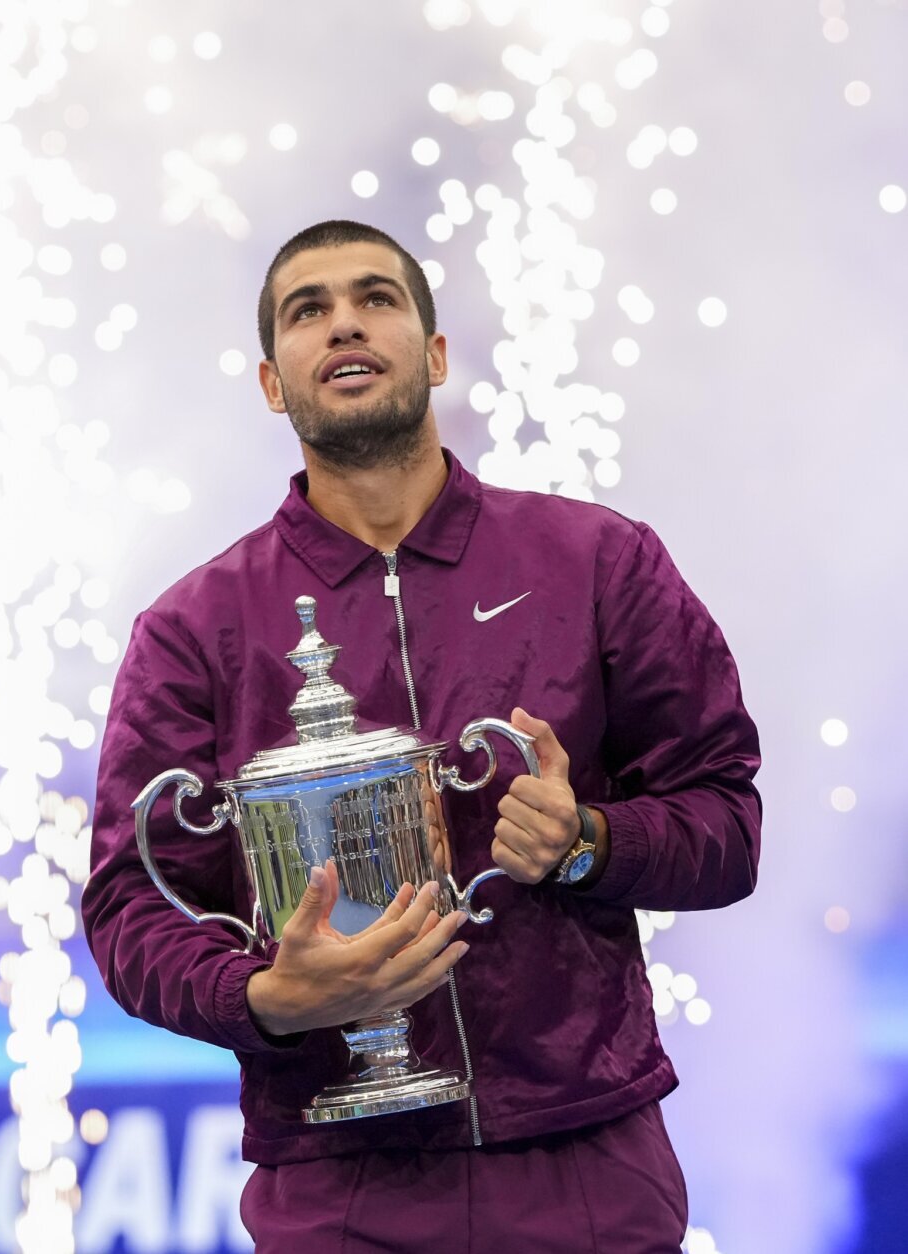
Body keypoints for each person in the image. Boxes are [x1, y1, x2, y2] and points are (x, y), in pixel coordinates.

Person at [81, 220, 761, 1252]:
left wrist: (589, 841)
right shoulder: (193, 629)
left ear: (434, 355)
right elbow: (129, 904)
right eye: (307, 310)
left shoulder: (595, 561)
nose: (343, 324)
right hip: (338, 1184)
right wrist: (262, 997)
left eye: (375, 298)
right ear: (272, 383)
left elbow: (726, 820)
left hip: (583, 1159)